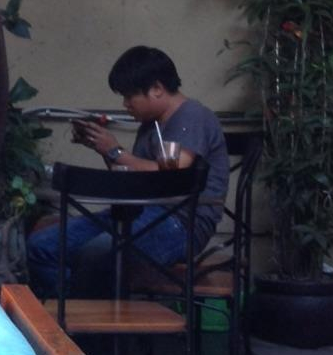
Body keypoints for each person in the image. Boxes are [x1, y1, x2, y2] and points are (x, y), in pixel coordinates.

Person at [27, 45, 230, 298]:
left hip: (180, 224)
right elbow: (130, 179)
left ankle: (89, 316)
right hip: (136, 212)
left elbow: (173, 176)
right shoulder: (150, 124)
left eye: (129, 96)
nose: (125, 105)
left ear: (157, 88)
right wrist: (102, 147)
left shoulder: (193, 116)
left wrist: (115, 150)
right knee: (41, 247)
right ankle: (74, 311)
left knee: (98, 252)